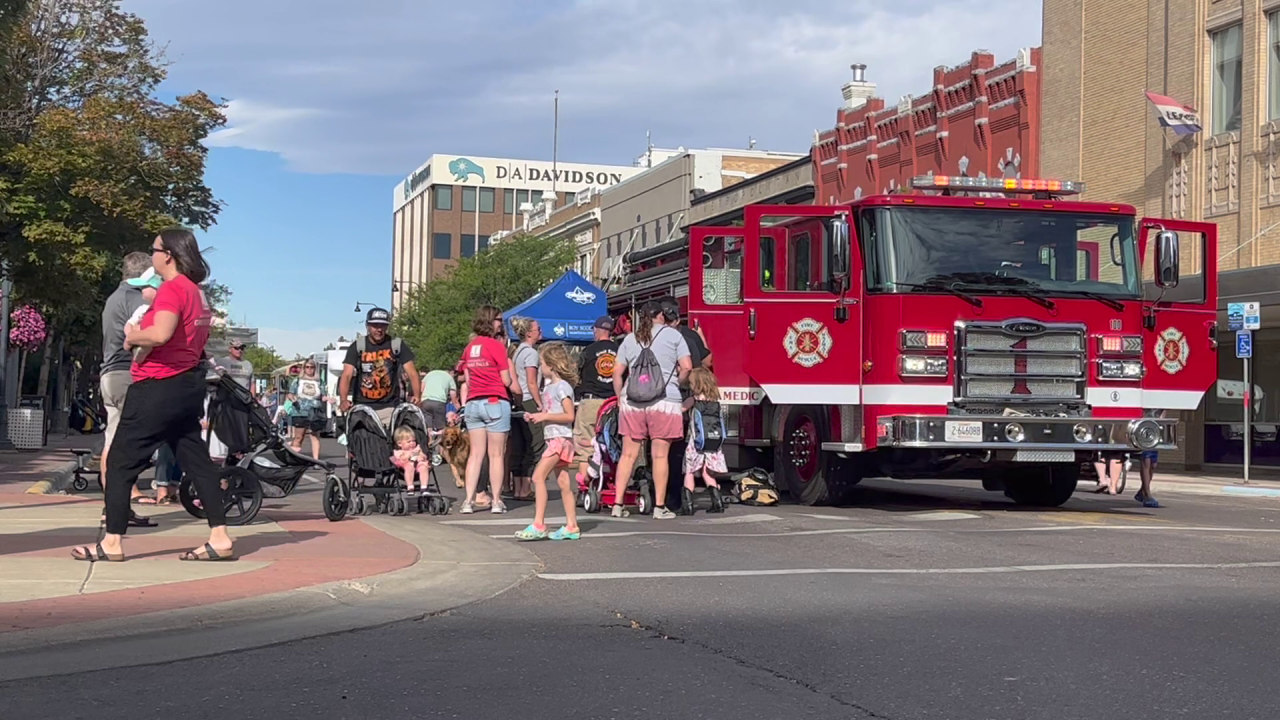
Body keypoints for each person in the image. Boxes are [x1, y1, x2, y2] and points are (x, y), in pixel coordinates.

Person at [73, 227, 234, 562]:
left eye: (155, 250)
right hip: (189, 384)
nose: (153, 255)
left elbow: (160, 333)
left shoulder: (173, 289)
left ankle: (112, 542)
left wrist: (133, 334)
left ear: (169, 255)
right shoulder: (197, 293)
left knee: (119, 462)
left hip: (158, 385)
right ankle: (220, 536)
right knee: (196, 461)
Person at [610, 301, 692, 520]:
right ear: (662, 316)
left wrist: (620, 397)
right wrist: (677, 382)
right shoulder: (674, 336)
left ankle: (617, 505)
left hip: (632, 400)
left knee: (628, 455)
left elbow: (617, 373)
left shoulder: (629, 339)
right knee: (659, 455)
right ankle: (659, 507)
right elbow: (687, 367)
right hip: (664, 401)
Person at [98, 252, 162, 514]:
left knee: (112, 437)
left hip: (109, 374)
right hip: (127, 372)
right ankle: (127, 494)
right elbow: (146, 334)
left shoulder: (114, 298)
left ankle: (114, 499)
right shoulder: (136, 298)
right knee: (127, 440)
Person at [515, 343, 581, 541]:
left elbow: (569, 415)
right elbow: (552, 413)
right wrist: (538, 416)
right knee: (563, 482)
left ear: (551, 365)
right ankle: (571, 525)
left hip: (559, 439)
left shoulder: (562, 387)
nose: (540, 367)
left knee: (537, 477)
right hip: (556, 437)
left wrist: (544, 417)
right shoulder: (550, 388)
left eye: (542, 363)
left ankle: (539, 523)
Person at [459, 305, 522, 514]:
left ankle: (468, 501)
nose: (501, 324)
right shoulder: (496, 347)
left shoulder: (470, 347)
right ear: (489, 321)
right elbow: (506, 379)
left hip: (473, 402)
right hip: (495, 400)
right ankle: (496, 500)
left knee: (475, 455)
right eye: (498, 320)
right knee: (496, 455)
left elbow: (466, 378)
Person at [339, 307, 421, 425]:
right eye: (375, 325)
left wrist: (417, 396)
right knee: (362, 441)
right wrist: (343, 400)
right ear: (367, 326)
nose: (379, 329)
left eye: (382, 326)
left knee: (390, 441)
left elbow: (412, 373)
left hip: (389, 407)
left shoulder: (396, 344)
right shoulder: (357, 346)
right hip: (362, 407)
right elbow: (346, 375)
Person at [574, 315, 618, 485]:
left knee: (585, 446)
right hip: (613, 403)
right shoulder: (619, 350)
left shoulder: (588, 351)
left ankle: (584, 485)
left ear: (598, 330)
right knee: (611, 444)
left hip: (591, 402)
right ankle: (611, 482)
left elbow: (576, 375)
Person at [681, 368, 727, 514]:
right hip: (712, 442)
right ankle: (717, 503)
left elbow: (680, 409)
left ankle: (687, 506)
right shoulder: (715, 400)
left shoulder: (694, 400)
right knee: (707, 473)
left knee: (690, 471)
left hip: (695, 443)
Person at [507, 316, 544, 501]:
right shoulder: (531, 353)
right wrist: (540, 404)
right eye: (538, 329)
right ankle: (526, 487)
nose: (541, 332)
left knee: (519, 446)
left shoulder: (517, 352)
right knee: (535, 443)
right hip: (529, 400)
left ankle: (518, 487)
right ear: (529, 333)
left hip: (517, 401)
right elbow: (531, 381)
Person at [288, 359, 327, 458]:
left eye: (312, 367)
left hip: (315, 412)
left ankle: (316, 460)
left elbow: (322, 396)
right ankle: (294, 458)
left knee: (314, 436)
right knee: (299, 437)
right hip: (300, 411)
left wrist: (328, 399)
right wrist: (292, 399)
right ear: (304, 368)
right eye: (307, 367)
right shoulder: (297, 380)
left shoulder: (319, 381)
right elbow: (290, 394)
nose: (310, 369)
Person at [1136, 410, 1165, 508]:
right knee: (1146, 461)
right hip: (1143, 428)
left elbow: (1164, 412)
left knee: (1153, 465)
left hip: (1154, 431)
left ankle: (1142, 490)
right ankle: (1147, 494)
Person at [391, 426, 431, 494]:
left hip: (418, 465)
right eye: (409, 441)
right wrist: (410, 455)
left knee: (424, 467)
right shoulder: (399, 451)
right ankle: (410, 486)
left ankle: (424, 487)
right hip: (406, 466)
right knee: (410, 467)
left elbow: (423, 455)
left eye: (414, 441)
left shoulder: (417, 448)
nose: (412, 443)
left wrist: (421, 456)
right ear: (399, 444)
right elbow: (402, 458)